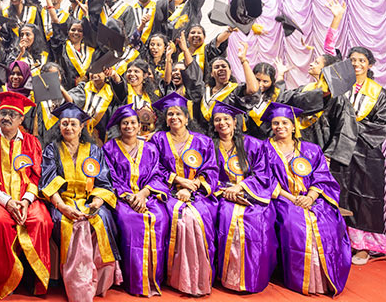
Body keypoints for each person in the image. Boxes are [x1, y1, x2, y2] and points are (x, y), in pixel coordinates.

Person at [0, 91, 53, 298]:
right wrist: (7, 201)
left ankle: (33, 280)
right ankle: (3, 280)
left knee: (41, 221)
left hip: (27, 198)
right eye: (3, 113)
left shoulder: (32, 142)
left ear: (21, 119)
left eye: (12, 114)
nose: (6, 118)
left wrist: (25, 201)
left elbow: (37, 176)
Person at [264, 102, 351, 295]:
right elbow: (264, 178)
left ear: (293, 126)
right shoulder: (264, 148)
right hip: (281, 198)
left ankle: (324, 280)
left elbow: (322, 176)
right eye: (276, 123)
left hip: (312, 198)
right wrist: (291, 197)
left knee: (328, 223)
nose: (280, 127)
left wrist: (310, 198)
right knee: (294, 223)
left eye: (285, 123)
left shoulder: (311, 149)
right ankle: (302, 280)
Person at [40, 103, 121, 302]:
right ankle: (78, 286)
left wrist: (97, 202)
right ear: (59, 125)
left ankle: (100, 281)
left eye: (73, 124)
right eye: (64, 123)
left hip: (89, 201)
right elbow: (48, 182)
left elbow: (104, 182)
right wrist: (62, 207)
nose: (68, 127)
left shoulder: (94, 150)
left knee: (102, 219)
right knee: (72, 224)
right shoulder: (52, 150)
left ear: (82, 126)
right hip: (62, 202)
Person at [149, 92, 219, 296]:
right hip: (167, 191)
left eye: (178, 114)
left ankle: (197, 278)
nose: (174, 117)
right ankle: (178, 278)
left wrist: (191, 187)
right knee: (182, 218)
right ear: (165, 119)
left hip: (197, 193)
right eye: (170, 114)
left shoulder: (203, 141)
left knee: (196, 218)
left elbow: (211, 170)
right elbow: (154, 168)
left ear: (187, 118)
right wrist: (179, 181)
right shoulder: (158, 139)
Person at [102, 105, 170, 296]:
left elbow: (157, 175)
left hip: (148, 196)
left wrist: (143, 194)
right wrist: (130, 197)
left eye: (133, 123)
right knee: (131, 222)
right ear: (119, 126)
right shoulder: (109, 148)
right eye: (125, 123)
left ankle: (154, 278)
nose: (129, 126)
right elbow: (109, 177)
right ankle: (134, 281)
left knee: (160, 218)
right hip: (122, 199)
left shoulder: (150, 148)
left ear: (140, 126)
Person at [210, 103, 277, 293]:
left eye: (226, 119)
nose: (222, 123)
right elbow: (207, 174)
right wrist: (227, 191)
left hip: (251, 194)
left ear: (234, 122)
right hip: (222, 195)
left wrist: (241, 187)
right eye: (217, 120)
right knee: (227, 216)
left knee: (256, 218)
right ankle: (229, 277)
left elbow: (262, 174)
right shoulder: (209, 145)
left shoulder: (253, 144)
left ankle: (253, 276)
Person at [340, 46, 386, 265]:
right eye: (352, 60)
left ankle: (364, 247)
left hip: (366, 152)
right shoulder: (341, 88)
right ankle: (343, 240)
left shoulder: (379, 93)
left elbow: (381, 124)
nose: (356, 64)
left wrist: (350, 128)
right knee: (341, 194)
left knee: (365, 197)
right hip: (340, 150)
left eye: (361, 60)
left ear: (369, 64)